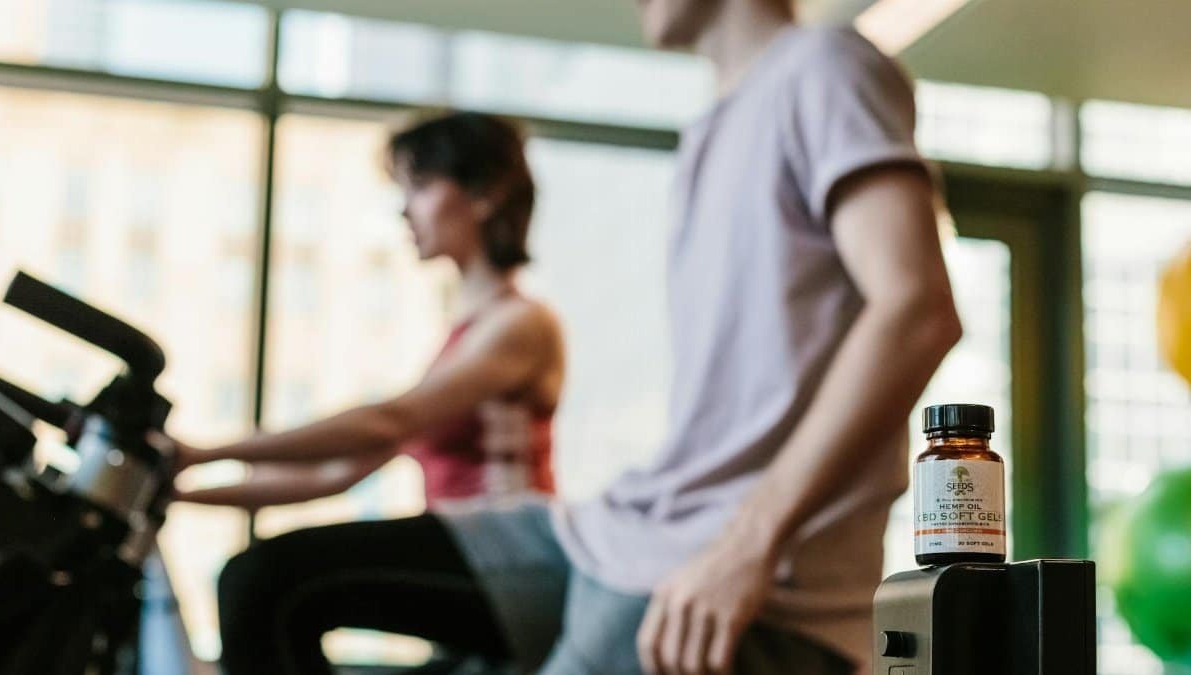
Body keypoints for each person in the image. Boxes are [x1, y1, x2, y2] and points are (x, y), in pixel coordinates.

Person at [195, 0, 962, 672]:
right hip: (614, 530)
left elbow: (915, 308)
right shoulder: (710, 132)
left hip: (726, 574)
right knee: (262, 583)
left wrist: (744, 547)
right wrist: (192, 474)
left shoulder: (822, 67)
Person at [162, 112, 564, 672]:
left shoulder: (520, 325)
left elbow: (388, 421)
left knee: (259, 581)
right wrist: (177, 491)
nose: (405, 209)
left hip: (517, 553)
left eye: (420, 188)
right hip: (473, 557)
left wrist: (204, 452)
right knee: (262, 585)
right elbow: (335, 474)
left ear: (486, 194)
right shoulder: (460, 341)